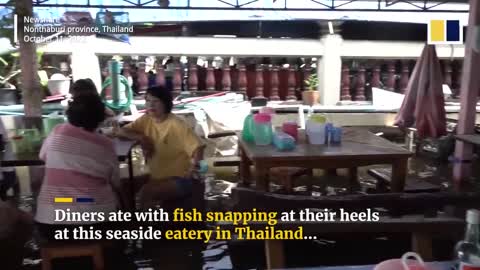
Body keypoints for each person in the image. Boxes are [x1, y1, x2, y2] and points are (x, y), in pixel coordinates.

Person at [35, 94, 130, 239]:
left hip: (50, 225)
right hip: (95, 224)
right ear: (99, 118)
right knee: (118, 206)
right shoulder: (106, 145)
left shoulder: (57, 132)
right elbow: (115, 181)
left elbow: (43, 156)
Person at [114, 86, 205, 208]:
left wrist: (193, 168)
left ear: (165, 103)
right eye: (148, 101)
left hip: (180, 178)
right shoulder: (147, 120)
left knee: (146, 193)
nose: (151, 105)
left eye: (155, 101)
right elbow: (121, 132)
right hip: (157, 176)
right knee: (125, 186)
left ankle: (148, 225)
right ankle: (132, 222)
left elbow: (198, 147)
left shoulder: (176, 124)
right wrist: (141, 138)